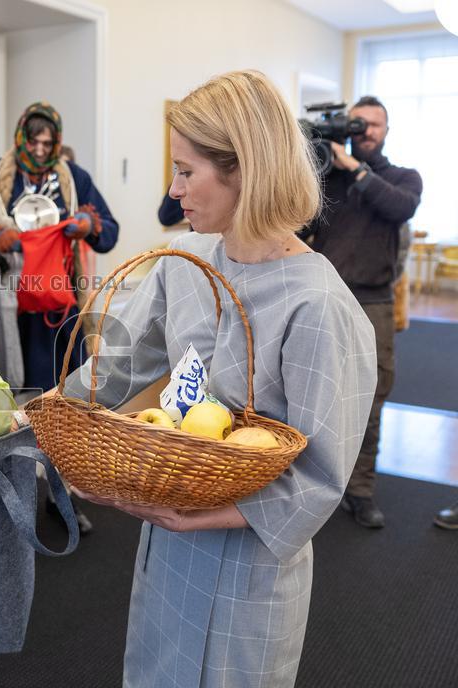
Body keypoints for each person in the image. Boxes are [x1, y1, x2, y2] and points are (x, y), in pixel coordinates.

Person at [63, 70, 376, 687]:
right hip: (168, 541)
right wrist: (34, 418)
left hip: (247, 563)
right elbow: (113, 367)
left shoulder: (318, 306)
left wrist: (195, 517)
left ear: (246, 171)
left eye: (186, 171)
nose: (173, 189)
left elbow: (320, 479)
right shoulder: (185, 263)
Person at [302, 95, 423, 529]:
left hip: (374, 303)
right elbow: (299, 226)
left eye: (374, 124)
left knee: (370, 401)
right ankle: (309, 482)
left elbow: (400, 207)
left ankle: (360, 491)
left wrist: (355, 168)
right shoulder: (326, 179)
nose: (366, 131)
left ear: (386, 131)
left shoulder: (402, 178)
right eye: (358, 123)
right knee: (312, 392)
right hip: (325, 300)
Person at [0, 102, 119, 393]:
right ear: (20, 137)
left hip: (58, 306)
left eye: (47, 144)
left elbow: (110, 232)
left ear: (57, 143)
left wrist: (88, 224)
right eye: (33, 142)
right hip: (9, 305)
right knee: (9, 391)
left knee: (63, 392)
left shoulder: (74, 179)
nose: (40, 150)